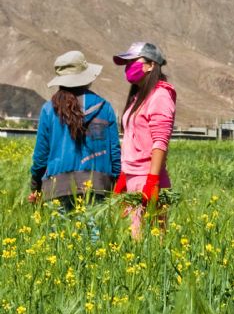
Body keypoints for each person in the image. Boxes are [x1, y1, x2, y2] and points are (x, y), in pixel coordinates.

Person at [28, 51, 122, 216]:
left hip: (57, 188)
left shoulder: (49, 109)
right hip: (97, 187)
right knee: (94, 240)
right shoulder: (104, 107)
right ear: (86, 77)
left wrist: (36, 186)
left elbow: (40, 157)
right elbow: (115, 152)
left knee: (59, 240)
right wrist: (114, 183)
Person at [112, 42, 176, 238]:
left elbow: (160, 141)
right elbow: (132, 138)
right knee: (133, 241)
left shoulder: (160, 96)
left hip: (148, 179)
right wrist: (124, 175)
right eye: (126, 62)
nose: (128, 66)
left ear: (151, 65)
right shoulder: (138, 97)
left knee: (148, 242)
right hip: (133, 176)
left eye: (133, 61)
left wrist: (152, 181)